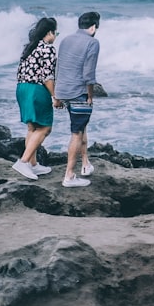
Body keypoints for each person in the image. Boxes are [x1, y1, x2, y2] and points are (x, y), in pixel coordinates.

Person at [53, 11, 101, 188]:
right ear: (94, 27)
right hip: (78, 91)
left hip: (63, 90)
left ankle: (86, 164)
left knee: (80, 126)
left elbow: (59, 67)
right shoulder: (92, 42)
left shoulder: (65, 40)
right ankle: (69, 175)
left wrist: (57, 95)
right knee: (76, 133)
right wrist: (90, 95)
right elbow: (89, 74)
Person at [13, 17, 59, 180]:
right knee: (45, 128)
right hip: (36, 89)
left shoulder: (29, 48)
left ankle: (33, 164)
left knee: (32, 127)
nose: (56, 37)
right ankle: (23, 161)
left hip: (22, 88)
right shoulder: (48, 49)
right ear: (49, 33)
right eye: (56, 33)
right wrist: (55, 96)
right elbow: (47, 76)